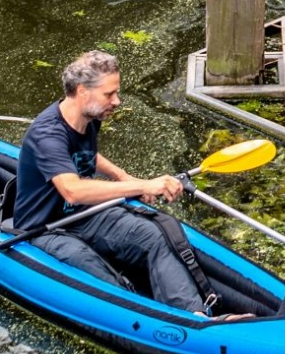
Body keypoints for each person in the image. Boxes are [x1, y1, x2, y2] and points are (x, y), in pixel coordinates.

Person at [14, 50, 218, 315]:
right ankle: (146, 316)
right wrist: (143, 185)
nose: (117, 101)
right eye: (109, 94)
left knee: (155, 236)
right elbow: (73, 191)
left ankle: (195, 315)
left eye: (116, 92)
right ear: (82, 91)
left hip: (84, 215)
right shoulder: (47, 134)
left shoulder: (89, 116)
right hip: (43, 228)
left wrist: (122, 175)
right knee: (91, 267)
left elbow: (86, 154)